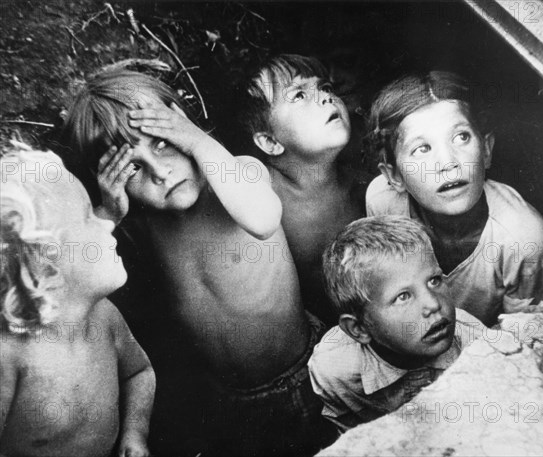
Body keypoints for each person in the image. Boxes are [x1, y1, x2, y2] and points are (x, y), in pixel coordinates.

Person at [63, 69, 335, 456]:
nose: (160, 173)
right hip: (224, 394)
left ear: (183, 126)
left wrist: (193, 138)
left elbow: (262, 219)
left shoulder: (240, 173)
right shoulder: (141, 224)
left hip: (305, 373)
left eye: (162, 144)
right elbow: (77, 281)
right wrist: (108, 212)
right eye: (133, 167)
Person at [0, 145, 155, 457]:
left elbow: (139, 373)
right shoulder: (10, 354)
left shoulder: (105, 318)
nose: (108, 221)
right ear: (45, 266)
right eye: (89, 216)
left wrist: (135, 432)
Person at [365, 71, 543, 326]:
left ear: (486, 149)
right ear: (394, 175)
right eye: (422, 149)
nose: (448, 163)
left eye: (461, 137)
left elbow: (521, 333)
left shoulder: (522, 239)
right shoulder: (383, 202)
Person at [309, 216, 495, 432]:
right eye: (403, 296)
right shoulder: (332, 369)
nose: (433, 304)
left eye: (434, 281)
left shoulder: (477, 348)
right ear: (359, 329)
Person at [239, 54, 371, 326]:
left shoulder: (366, 187)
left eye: (326, 88)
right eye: (299, 95)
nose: (326, 98)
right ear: (269, 142)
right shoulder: (264, 200)